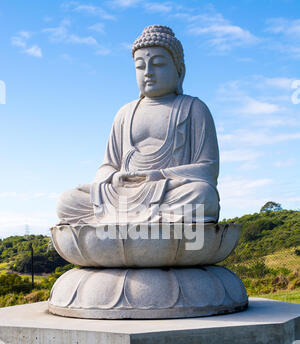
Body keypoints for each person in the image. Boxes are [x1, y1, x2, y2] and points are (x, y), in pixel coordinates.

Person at [57, 25, 220, 225]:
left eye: (158, 64)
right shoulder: (125, 113)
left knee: (202, 195)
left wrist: (158, 175)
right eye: (140, 66)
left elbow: (208, 169)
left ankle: (121, 221)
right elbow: (108, 165)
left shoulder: (193, 108)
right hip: (122, 194)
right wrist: (113, 177)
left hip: (169, 191)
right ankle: (132, 219)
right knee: (67, 201)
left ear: (179, 71)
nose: (148, 73)